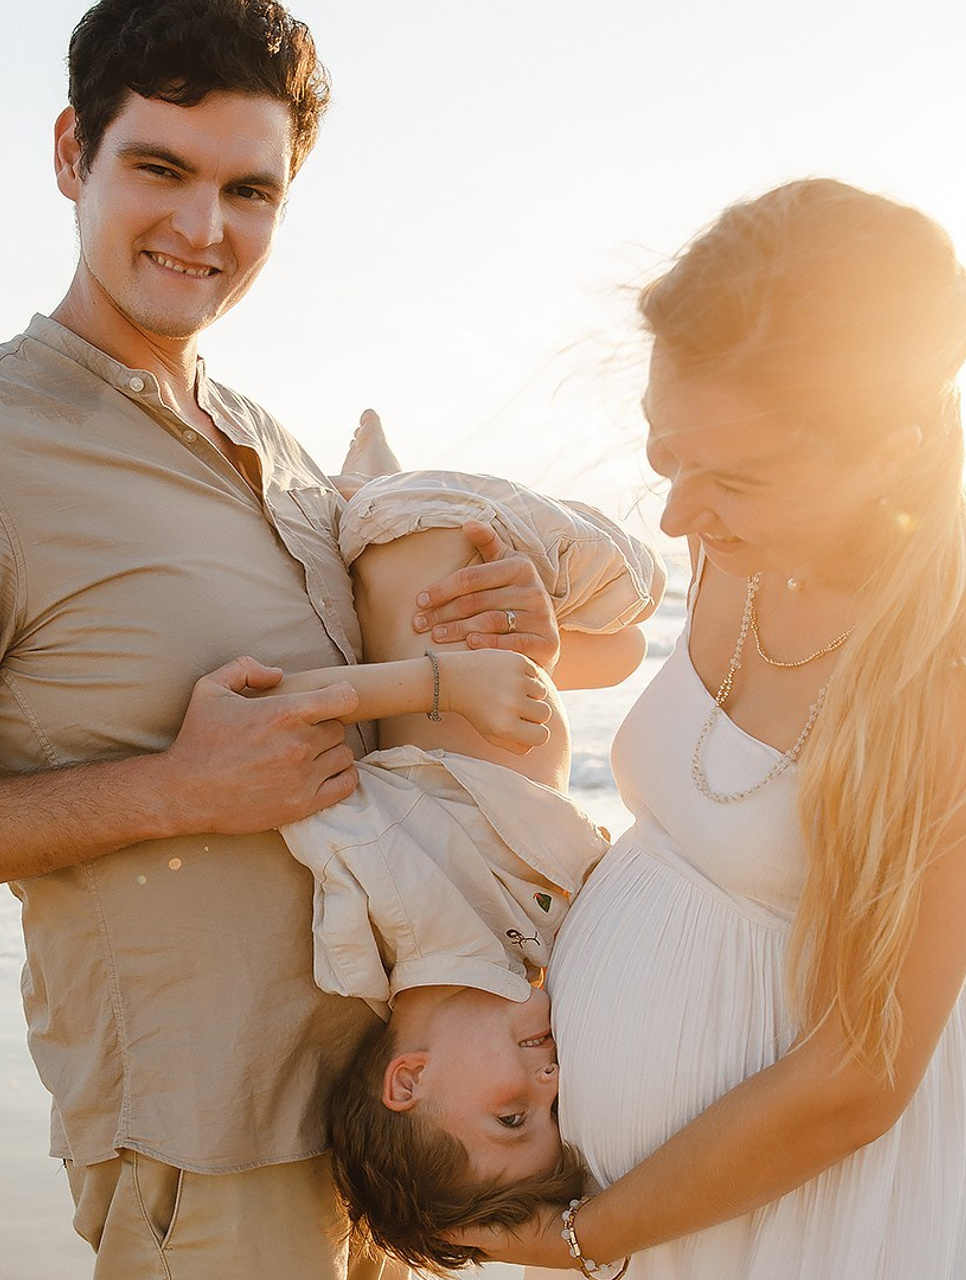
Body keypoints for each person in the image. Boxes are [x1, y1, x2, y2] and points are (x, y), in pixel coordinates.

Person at [0, 3, 561, 1277]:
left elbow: (378, 745)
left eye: (247, 189)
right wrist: (174, 788)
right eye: (159, 169)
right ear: (71, 155)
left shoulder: (273, 442)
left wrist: (506, 637)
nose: (203, 228)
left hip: (391, 1130)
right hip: (206, 1155)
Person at [448, 179, 966, 1280]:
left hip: (829, 1217)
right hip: (648, 1208)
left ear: (889, 449)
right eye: (664, 454)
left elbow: (860, 1073)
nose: (679, 513)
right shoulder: (736, 535)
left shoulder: (965, 660)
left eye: (732, 475)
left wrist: (587, 1234)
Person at [249, 434, 664, 1268]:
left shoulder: (379, 896)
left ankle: (364, 488)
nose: (550, 1088)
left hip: (441, 531)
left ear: (407, 1081)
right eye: (552, 1117)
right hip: (472, 591)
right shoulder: (534, 960)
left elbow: (271, 715)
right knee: (619, 651)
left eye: (513, 1115)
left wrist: (444, 685)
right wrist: (527, 663)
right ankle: (364, 471)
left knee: (641, 585)